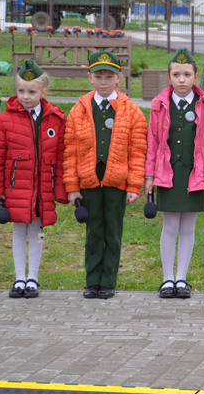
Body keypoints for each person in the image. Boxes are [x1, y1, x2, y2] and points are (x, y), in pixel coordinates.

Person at [64, 51, 147, 299]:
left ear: (119, 78)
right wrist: (72, 187)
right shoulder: (78, 111)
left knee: (112, 232)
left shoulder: (132, 111)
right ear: (90, 78)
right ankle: (92, 281)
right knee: (93, 232)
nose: (103, 82)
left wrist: (134, 185)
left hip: (116, 181)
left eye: (109, 77)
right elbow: (70, 151)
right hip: (89, 180)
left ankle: (108, 281)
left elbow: (137, 151)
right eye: (98, 76)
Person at [143, 48, 204, 299]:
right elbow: (152, 143)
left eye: (187, 74)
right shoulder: (159, 105)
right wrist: (149, 176)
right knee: (169, 226)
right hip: (167, 173)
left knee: (188, 227)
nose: (181, 79)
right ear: (168, 77)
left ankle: (181, 278)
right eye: (176, 74)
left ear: (196, 76)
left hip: (195, 174)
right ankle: (167, 279)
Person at [0, 60, 67, 298]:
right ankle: (19, 277)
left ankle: (33, 278)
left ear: (43, 91)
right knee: (19, 231)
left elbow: (60, 158)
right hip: (16, 189)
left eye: (31, 92)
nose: (25, 96)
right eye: (21, 91)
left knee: (36, 231)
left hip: (43, 188)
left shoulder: (56, 120)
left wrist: (60, 191)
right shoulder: (3, 120)